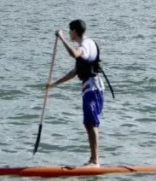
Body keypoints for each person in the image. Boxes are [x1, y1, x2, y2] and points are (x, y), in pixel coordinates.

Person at [46, 20, 114, 168]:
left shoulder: (86, 45)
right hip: (89, 89)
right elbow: (75, 72)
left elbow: (74, 54)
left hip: (94, 88)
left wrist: (62, 38)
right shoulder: (84, 47)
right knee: (88, 123)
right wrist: (54, 84)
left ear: (75, 31)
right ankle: (92, 160)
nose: (69, 33)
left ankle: (95, 162)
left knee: (91, 122)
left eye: (70, 31)